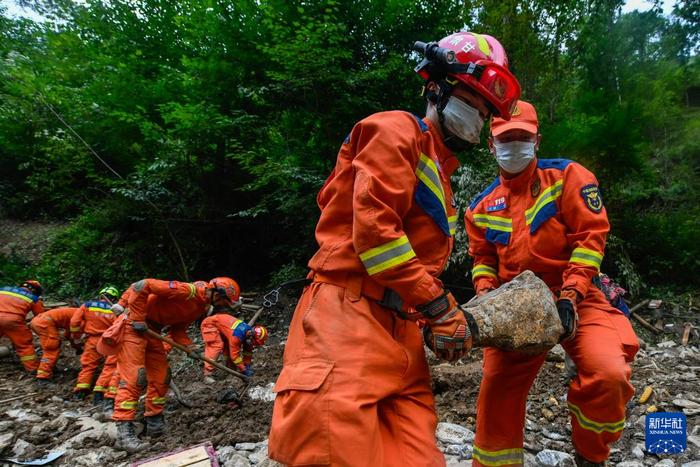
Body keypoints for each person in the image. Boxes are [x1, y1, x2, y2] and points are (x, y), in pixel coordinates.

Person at [268, 32, 521, 466]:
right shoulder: (394, 129)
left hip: (401, 328)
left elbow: (414, 260)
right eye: (472, 102)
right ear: (437, 88)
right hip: (346, 317)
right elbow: (376, 237)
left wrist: (430, 316)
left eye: (484, 112)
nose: (478, 118)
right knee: (333, 451)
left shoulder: (441, 173)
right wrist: (441, 308)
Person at [464, 100, 639, 466]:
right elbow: (482, 260)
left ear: (537, 140)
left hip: (578, 294)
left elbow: (590, 240)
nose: (514, 145)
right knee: (496, 398)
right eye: (506, 138)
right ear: (491, 145)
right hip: (517, 305)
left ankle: (590, 457)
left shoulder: (568, 178)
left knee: (609, 374)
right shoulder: (480, 207)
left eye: (522, 137)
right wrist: (486, 299)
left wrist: (570, 295)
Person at [112, 276, 240, 453]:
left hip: (152, 330)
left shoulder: (199, 308)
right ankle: (124, 434)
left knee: (162, 377)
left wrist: (191, 348)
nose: (223, 307)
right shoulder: (187, 291)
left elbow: (178, 330)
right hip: (132, 327)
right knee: (135, 377)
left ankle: (154, 421)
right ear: (217, 295)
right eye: (224, 303)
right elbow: (142, 285)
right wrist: (138, 317)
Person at [70, 286, 120, 406]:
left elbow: (74, 322)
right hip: (109, 341)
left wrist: (76, 336)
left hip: (92, 340)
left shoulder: (87, 305)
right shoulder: (116, 310)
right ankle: (99, 393)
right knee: (109, 366)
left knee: (88, 365)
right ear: (114, 298)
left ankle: (80, 391)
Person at [200, 312, 268, 383]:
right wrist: (243, 369)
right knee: (216, 346)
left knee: (227, 349)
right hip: (209, 325)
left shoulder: (249, 333)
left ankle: (230, 369)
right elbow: (235, 356)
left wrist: (247, 365)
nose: (253, 344)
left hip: (222, 327)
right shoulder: (236, 336)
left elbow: (248, 351)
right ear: (252, 336)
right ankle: (207, 374)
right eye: (254, 342)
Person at [0, 280, 44, 371]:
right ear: (35, 291)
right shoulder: (34, 299)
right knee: (24, 345)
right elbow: (41, 316)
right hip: (12, 321)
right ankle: (32, 368)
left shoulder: (3, 289)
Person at [30, 305, 81, 382]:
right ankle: (43, 375)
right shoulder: (82, 317)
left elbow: (69, 335)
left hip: (38, 321)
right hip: (44, 323)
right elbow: (75, 335)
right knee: (51, 349)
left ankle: (49, 367)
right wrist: (78, 347)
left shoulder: (77, 312)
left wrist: (77, 347)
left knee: (52, 346)